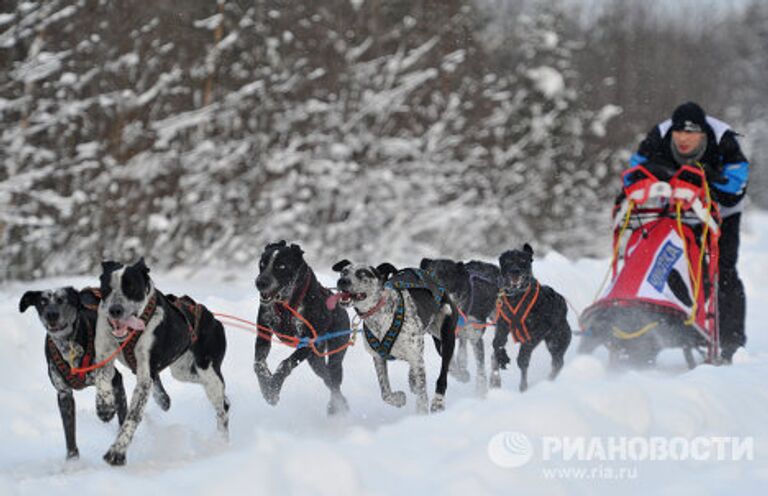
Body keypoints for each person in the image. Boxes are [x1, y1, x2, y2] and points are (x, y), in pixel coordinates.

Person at [622, 101, 750, 363]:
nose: (683, 138)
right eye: (679, 132)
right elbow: (632, 175)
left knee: (723, 271)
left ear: (703, 134)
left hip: (723, 214)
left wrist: (709, 179)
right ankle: (651, 329)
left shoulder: (723, 139)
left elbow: (737, 184)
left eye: (691, 133)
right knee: (661, 259)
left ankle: (730, 341)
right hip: (674, 208)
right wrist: (657, 177)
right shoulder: (658, 137)